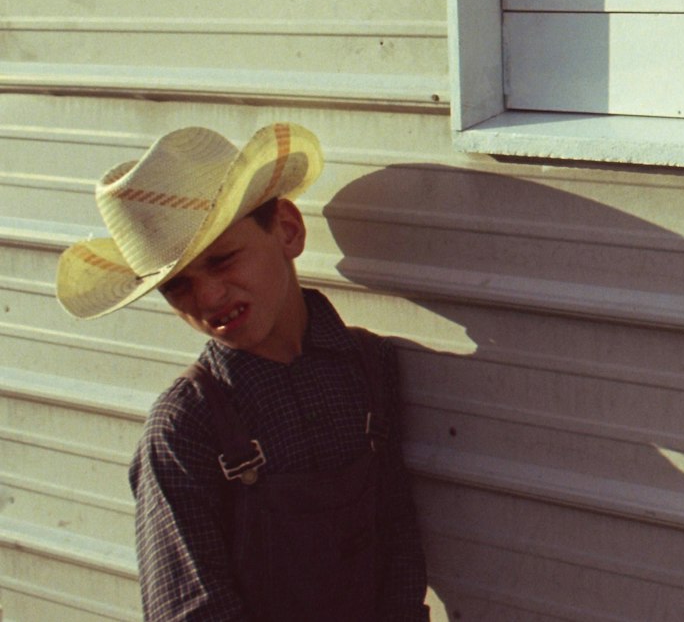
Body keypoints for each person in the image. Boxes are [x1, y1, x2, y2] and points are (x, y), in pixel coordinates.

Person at [55, 122, 429, 621]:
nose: (208, 299)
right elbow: (190, 611)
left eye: (223, 259)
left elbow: (400, 552)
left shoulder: (369, 368)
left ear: (288, 232)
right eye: (178, 288)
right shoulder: (185, 426)